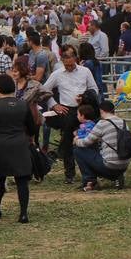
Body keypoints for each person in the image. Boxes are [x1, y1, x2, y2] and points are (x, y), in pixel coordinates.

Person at [39, 44, 102, 185]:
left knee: (89, 140)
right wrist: (54, 105)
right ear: (61, 58)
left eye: (70, 57)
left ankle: (92, 170)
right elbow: (44, 91)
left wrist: (85, 97)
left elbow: (94, 89)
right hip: (67, 109)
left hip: (84, 109)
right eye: (65, 58)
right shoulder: (57, 74)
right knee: (68, 138)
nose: (68, 61)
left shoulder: (85, 71)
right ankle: (69, 173)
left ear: (75, 57)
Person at [0, 74, 37, 219]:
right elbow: (32, 128)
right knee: (22, 180)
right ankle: (23, 213)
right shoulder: (23, 105)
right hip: (20, 145)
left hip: (0, 146)